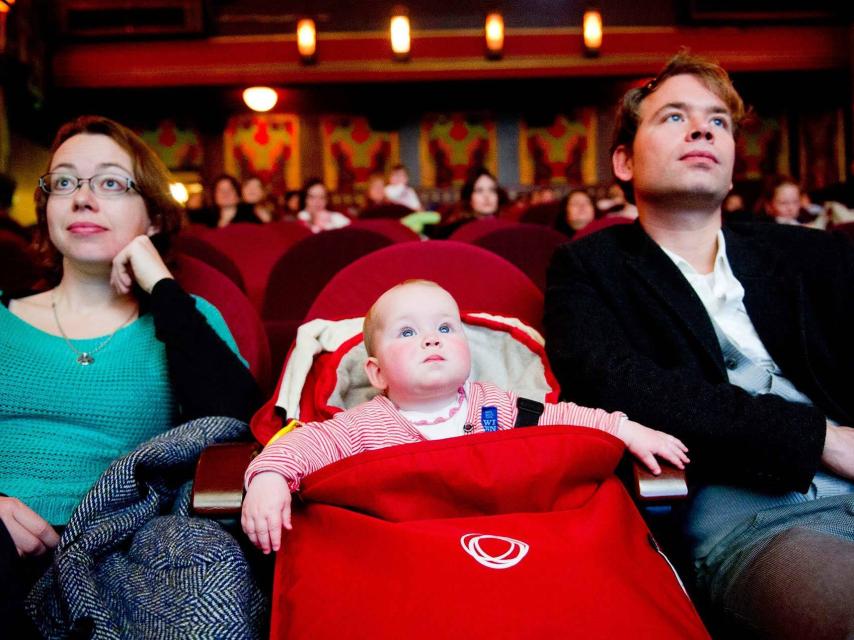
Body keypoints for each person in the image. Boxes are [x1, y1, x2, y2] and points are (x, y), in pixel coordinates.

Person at [544, 52, 854, 639]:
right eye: (674, 117)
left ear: (733, 164)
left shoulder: (813, 254)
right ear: (624, 161)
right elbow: (623, 387)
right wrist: (822, 440)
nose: (703, 128)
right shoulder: (589, 269)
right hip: (756, 518)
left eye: (718, 121)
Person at [0, 115, 260, 632]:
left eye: (112, 183)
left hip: (123, 546)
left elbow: (240, 425)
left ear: (155, 217)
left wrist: (160, 285)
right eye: (66, 182)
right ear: (47, 208)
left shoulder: (186, 319)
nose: (83, 198)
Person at [241, 279, 689, 554]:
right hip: (409, 551)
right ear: (375, 373)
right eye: (408, 332)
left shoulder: (495, 405)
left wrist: (624, 428)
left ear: (466, 351)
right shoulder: (362, 425)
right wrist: (269, 479)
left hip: (505, 537)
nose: (431, 340)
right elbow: (301, 445)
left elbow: (562, 421)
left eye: (445, 328)